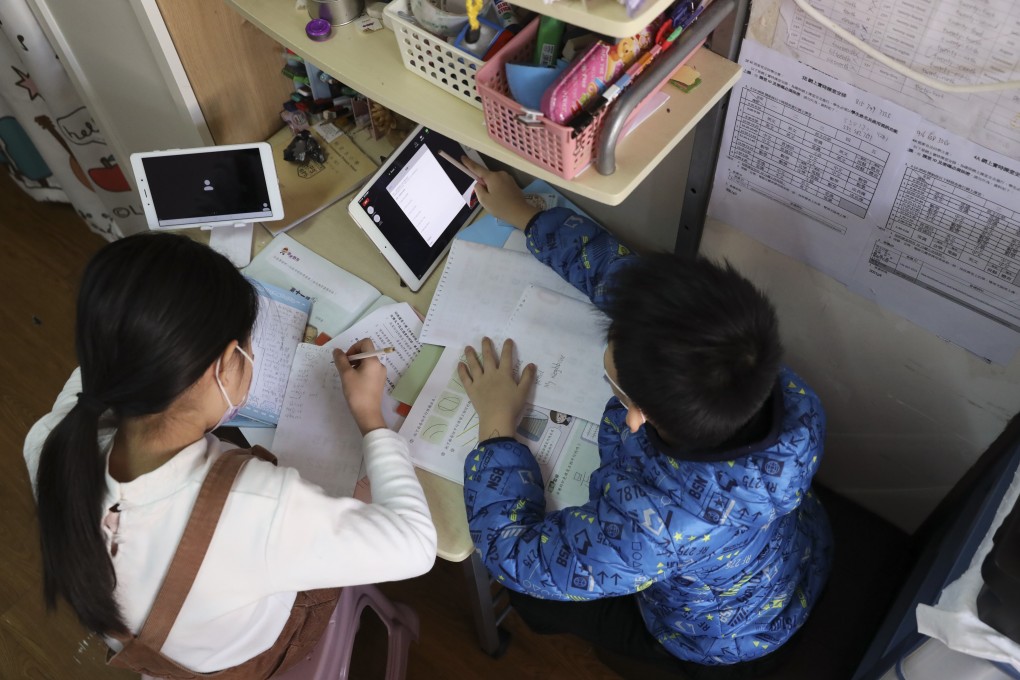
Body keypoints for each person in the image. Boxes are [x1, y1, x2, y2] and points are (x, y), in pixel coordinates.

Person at [456, 159, 833, 678]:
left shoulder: (647, 531)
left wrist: (497, 428)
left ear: (637, 415)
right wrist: (527, 217)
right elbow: (631, 284)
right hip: (798, 550)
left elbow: (509, 552)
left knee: (536, 601)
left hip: (718, 638)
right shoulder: (782, 390)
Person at [23, 232, 437, 677]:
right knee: (358, 491)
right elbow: (415, 545)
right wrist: (370, 417)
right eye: (248, 345)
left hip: (165, 649)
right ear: (224, 365)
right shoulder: (257, 506)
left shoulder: (50, 439)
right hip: (250, 652)